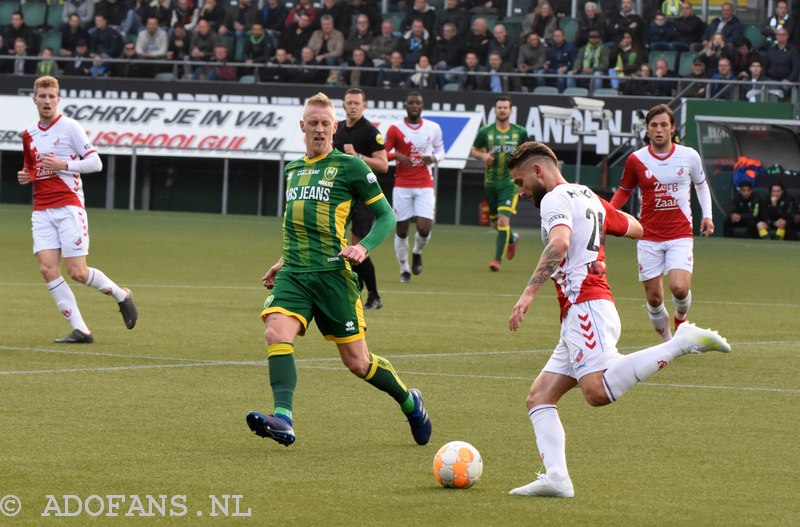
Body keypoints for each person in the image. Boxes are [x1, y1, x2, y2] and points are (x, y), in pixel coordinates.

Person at [504, 141, 730, 499]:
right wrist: (595, 230)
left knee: (595, 392)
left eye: (520, 182)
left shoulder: (554, 199)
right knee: (539, 397)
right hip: (583, 310)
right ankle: (557, 478)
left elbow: (560, 243)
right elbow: (636, 227)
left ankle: (681, 342)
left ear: (537, 171)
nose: (521, 191)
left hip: (587, 305)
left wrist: (528, 293)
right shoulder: (587, 196)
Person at [246, 92, 431, 448]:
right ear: (302, 126)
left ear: (334, 129)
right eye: (313, 123)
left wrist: (362, 246)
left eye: (325, 124)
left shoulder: (351, 167)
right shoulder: (293, 170)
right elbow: (297, 224)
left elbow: (387, 215)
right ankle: (282, 418)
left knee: (359, 363)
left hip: (333, 276)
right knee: (275, 332)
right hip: (296, 275)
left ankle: (411, 403)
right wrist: (282, 260)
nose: (319, 129)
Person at [16, 76, 138, 344]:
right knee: (48, 269)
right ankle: (81, 329)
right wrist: (27, 176)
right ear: (34, 99)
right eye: (42, 96)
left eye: (51, 96)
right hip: (42, 210)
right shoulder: (29, 134)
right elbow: (32, 167)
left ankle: (121, 295)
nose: (47, 101)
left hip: (69, 206)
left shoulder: (70, 127)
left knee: (77, 272)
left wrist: (65, 165)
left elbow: (95, 163)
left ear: (58, 100)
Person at [610, 104, 714, 342]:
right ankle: (669, 343)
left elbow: (701, 184)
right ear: (647, 129)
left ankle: (680, 317)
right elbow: (624, 191)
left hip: (679, 234)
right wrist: (606, 213)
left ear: (672, 128)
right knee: (654, 299)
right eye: (654, 125)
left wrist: (707, 214)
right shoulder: (636, 159)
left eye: (664, 125)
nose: (659, 130)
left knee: (679, 288)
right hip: (648, 236)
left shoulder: (689, 155)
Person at [333, 88, 389, 309]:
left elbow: (383, 164)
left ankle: (374, 295)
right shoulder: (337, 130)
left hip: (363, 196)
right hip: (340, 196)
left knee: (358, 246)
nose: (353, 106)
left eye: (357, 102)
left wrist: (358, 156)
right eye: (349, 102)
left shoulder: (369, 131)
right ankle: (355, 289)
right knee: (340, 244)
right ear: (344, 105)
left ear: (364, 106)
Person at [384, 91, 445, 283]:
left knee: (424, 227)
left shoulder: (433, 128)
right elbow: (383, 154)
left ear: (422, 106)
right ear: (406, 105)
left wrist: (433, 158)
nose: (414, 106)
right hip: (402, 184)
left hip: (425, 183)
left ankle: (417, 252)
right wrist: (398, 156)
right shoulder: (395, 129)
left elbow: (441, 151)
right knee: (401, 230)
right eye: (411, 103)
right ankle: (404, 269)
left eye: (417, 103)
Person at [471, 95, 529, 272]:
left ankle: (496, 260)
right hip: (490, 183)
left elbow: (527, 153)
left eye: (505, 107)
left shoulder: (519, 132)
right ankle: (512, 238)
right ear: (495, 111)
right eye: (499, 107)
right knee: (496, 224)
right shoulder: (485, 132)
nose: (502, 110)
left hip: (509, 184)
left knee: (503, 221)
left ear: (510, 111)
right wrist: (483, 156)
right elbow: (474, 150)